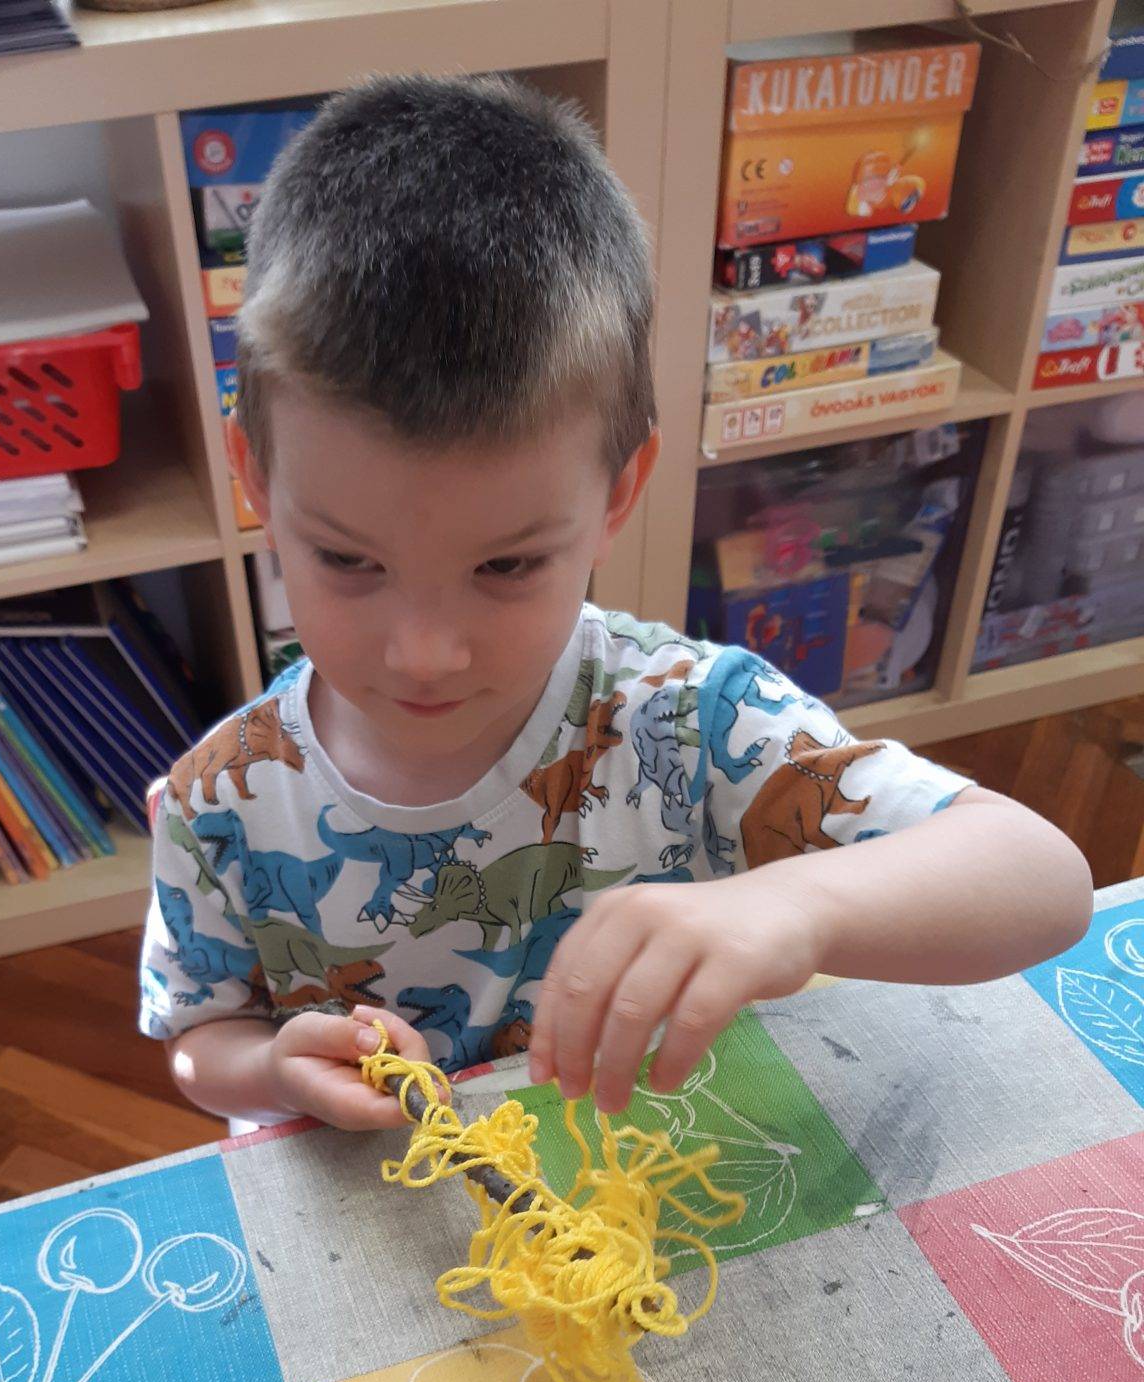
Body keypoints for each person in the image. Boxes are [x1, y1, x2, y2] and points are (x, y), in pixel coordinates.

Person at [140, 74, 1091, 1130]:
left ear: (619, 493)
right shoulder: (216, 802)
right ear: (255, 478)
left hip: (648, 1178)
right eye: (347, 560)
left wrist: (796, 906)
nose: (425, 653)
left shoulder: (697, 724)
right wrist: (272, 1072)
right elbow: (197, 1044)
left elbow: (1043, 879)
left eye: (506, 567)